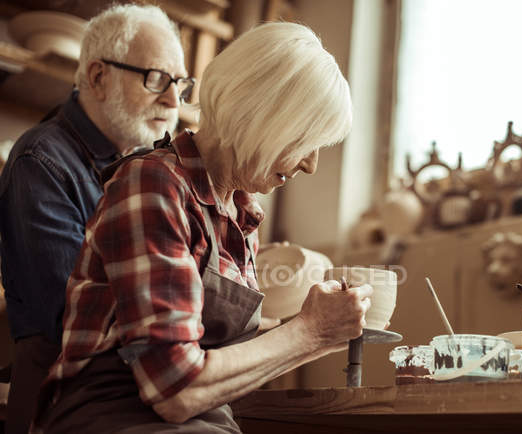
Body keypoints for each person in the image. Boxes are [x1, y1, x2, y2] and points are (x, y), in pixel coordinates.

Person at [34, 22, 370, 433]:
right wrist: (309, 332)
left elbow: (223, 354)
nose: (310, 164)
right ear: (260, 114)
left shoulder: (241, 215)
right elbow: (173, 389)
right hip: (115, 415)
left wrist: (323, 329)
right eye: (306, 140)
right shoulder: (154, 185)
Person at [0, 4, 188, 433]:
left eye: (180, 83)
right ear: (100, 77)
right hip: (59, 403)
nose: (174, 99)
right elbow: (69, 315)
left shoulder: (146, 167)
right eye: (156, 77)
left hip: (129, 395)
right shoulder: (41, 161)